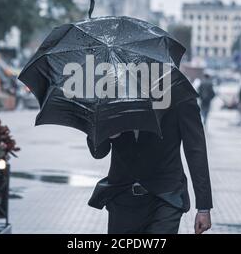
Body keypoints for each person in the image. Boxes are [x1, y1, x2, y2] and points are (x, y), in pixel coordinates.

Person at [86, 94, 213, 234]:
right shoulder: (112, 94)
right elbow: (98, 152)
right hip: (122, 198)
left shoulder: (178, 92)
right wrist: (107, 132)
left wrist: (203, 208)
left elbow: (196, 149)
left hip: (165, 198)